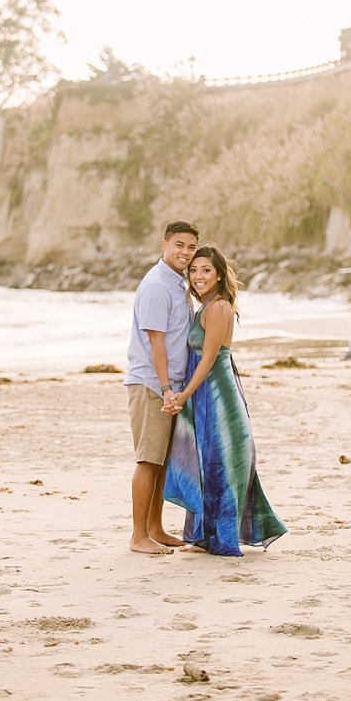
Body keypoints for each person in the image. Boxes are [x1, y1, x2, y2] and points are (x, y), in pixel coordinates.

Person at [163, 245, 287, 556]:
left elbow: (208, 359)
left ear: (219, 274)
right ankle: (206, 536)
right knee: (206, 461)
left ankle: (222, 537)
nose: (198, 276)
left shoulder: (217, 308)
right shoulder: (205, 307)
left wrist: (184, 394)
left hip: (217, 394)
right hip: (205, 392)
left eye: (205, 270)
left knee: (219, 461)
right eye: (193, 270)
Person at [124, 220, 200, 554]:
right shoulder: (156, 285)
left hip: (171, 385)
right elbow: (157, 343)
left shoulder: (177, 284)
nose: (185, 252)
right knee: (148, 460)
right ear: (164, 245)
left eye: (191, 247)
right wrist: (167, 388)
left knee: (163, 460)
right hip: (152, 384)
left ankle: (155, 527)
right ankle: (139, 536)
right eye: (179, 245)